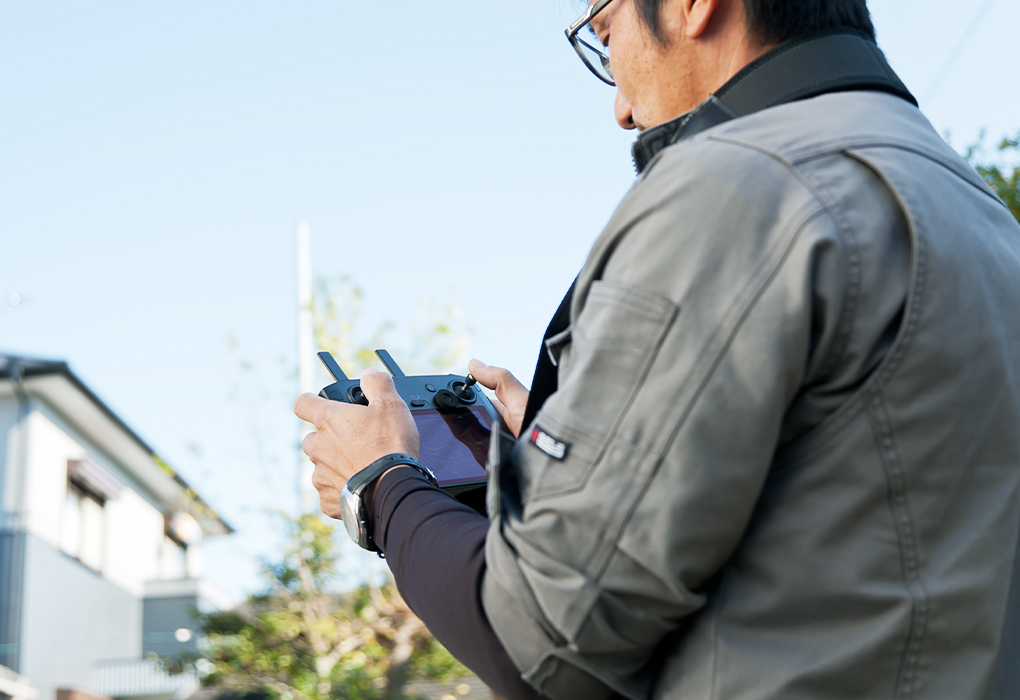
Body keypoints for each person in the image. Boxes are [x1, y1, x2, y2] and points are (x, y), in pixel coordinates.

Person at [295, 0, 1020, 697]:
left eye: (604, 30)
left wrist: (382, 484)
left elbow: (543, 641)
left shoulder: (734, 186)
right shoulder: (981, 214)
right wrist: (584, 439)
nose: (622, 110)